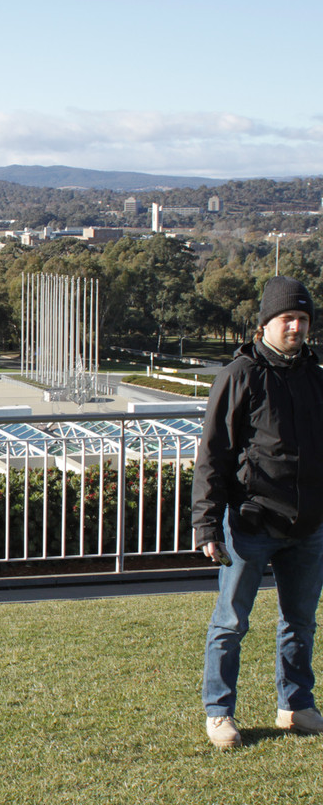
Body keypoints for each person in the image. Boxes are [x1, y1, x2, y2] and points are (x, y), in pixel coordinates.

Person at [193, 275, 323, 749]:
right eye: (287, 318)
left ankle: (296, 706)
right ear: (266, 322)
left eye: (303, 318)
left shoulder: (314, 375)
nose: (296, 326)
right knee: (230, 622)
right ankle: (219, 712)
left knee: (300, 621)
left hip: (307, 525)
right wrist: (207, 523)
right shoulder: (239, 375)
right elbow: (213, 455)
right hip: (251, 523)